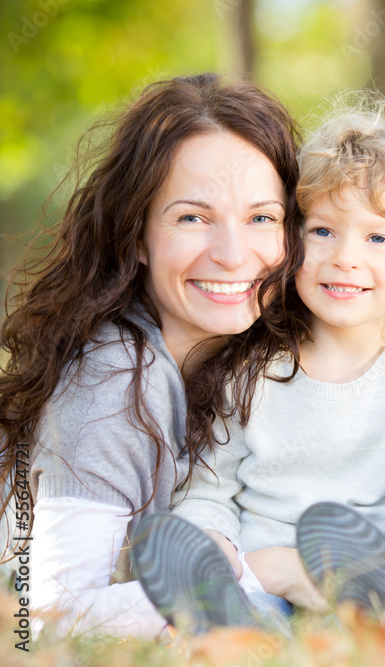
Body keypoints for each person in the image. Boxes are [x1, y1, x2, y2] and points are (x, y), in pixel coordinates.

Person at [135, 92, 385, 633]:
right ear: (292, 242)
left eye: (377, 236)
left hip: (379, 569)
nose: (346, 257)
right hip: (269, 571)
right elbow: (211, 487)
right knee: (245, 608)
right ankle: (236, 631)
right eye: (323, 231)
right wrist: (214, 541)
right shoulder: (249, 371)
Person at [0, 73, 300, 638]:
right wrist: (257, 576)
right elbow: (49, 618)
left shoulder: (250, 365)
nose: (234, 256)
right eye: (193, 217)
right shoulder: (114, 376)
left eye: (262, 217)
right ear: (136, 235)